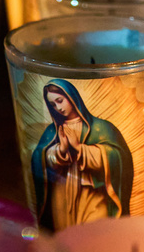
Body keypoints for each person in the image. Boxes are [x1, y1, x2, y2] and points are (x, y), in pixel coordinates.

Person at [31, 79, 133, 230]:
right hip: (62, 193)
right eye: (53, 105)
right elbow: (39, 159)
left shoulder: (101, 127)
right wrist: (61, 151)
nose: (58, 108)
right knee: (65, 237)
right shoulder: (52, 132)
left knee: (95, 235)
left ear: (72, 97)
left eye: (60, 101)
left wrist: (80, 148)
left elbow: (118, 157)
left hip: (94, 194)